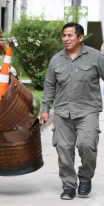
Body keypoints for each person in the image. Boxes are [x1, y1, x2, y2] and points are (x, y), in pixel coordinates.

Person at [40, 22, 104, 200]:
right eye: (64, 36)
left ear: (80, 37)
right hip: (62, 112)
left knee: (87, 145)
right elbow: (49, 86)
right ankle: (68, 186)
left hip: (88, 110)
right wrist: (45, 109)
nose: (65, 39)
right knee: (64, 150)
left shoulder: (95, 57)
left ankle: (85, 178)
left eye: (70, 35)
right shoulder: (56, 59)